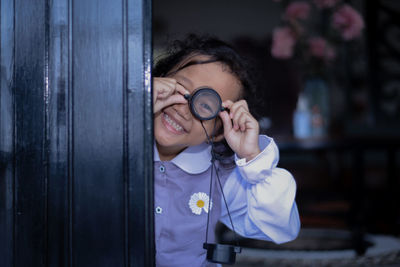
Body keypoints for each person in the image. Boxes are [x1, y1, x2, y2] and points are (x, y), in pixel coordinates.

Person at [152, 34, 300, 267]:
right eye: (179, 88)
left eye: (205, 105)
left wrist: (253, 159)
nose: (183, 109)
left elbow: (281, 228)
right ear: (157, 80)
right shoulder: (106, 147)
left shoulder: (222, 175)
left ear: (219, 131)